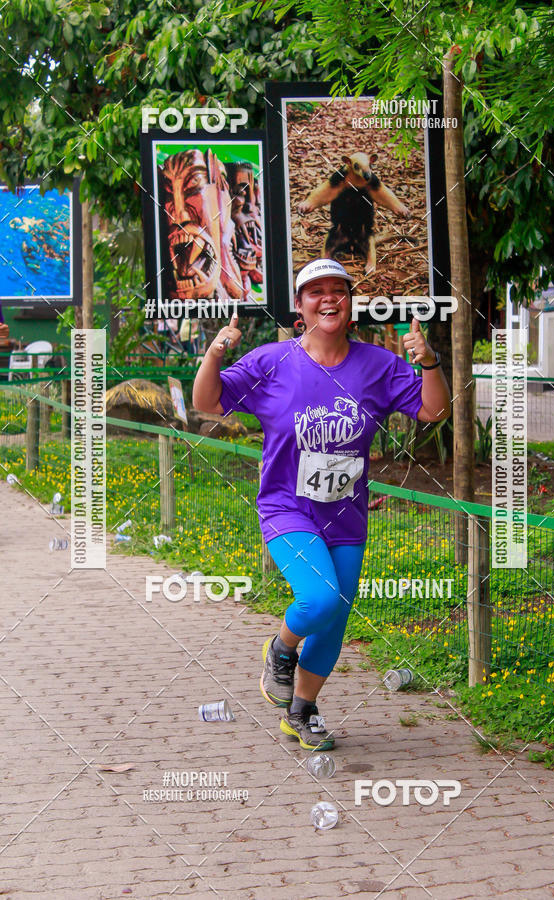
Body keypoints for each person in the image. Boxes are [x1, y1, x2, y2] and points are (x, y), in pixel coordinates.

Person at [192, 259, 451, 751]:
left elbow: (434, 410)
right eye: (316, 292)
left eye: (339, 291)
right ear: (300, 305)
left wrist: (430, 361)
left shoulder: (378, 365)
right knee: (320, 598)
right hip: (287, 508)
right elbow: (208, 401)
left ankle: (302, 710)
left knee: (335, 618)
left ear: (351, 305)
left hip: (346, 516)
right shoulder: (273, 362)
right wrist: (214, 354)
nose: (328, 299)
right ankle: (280, 649)